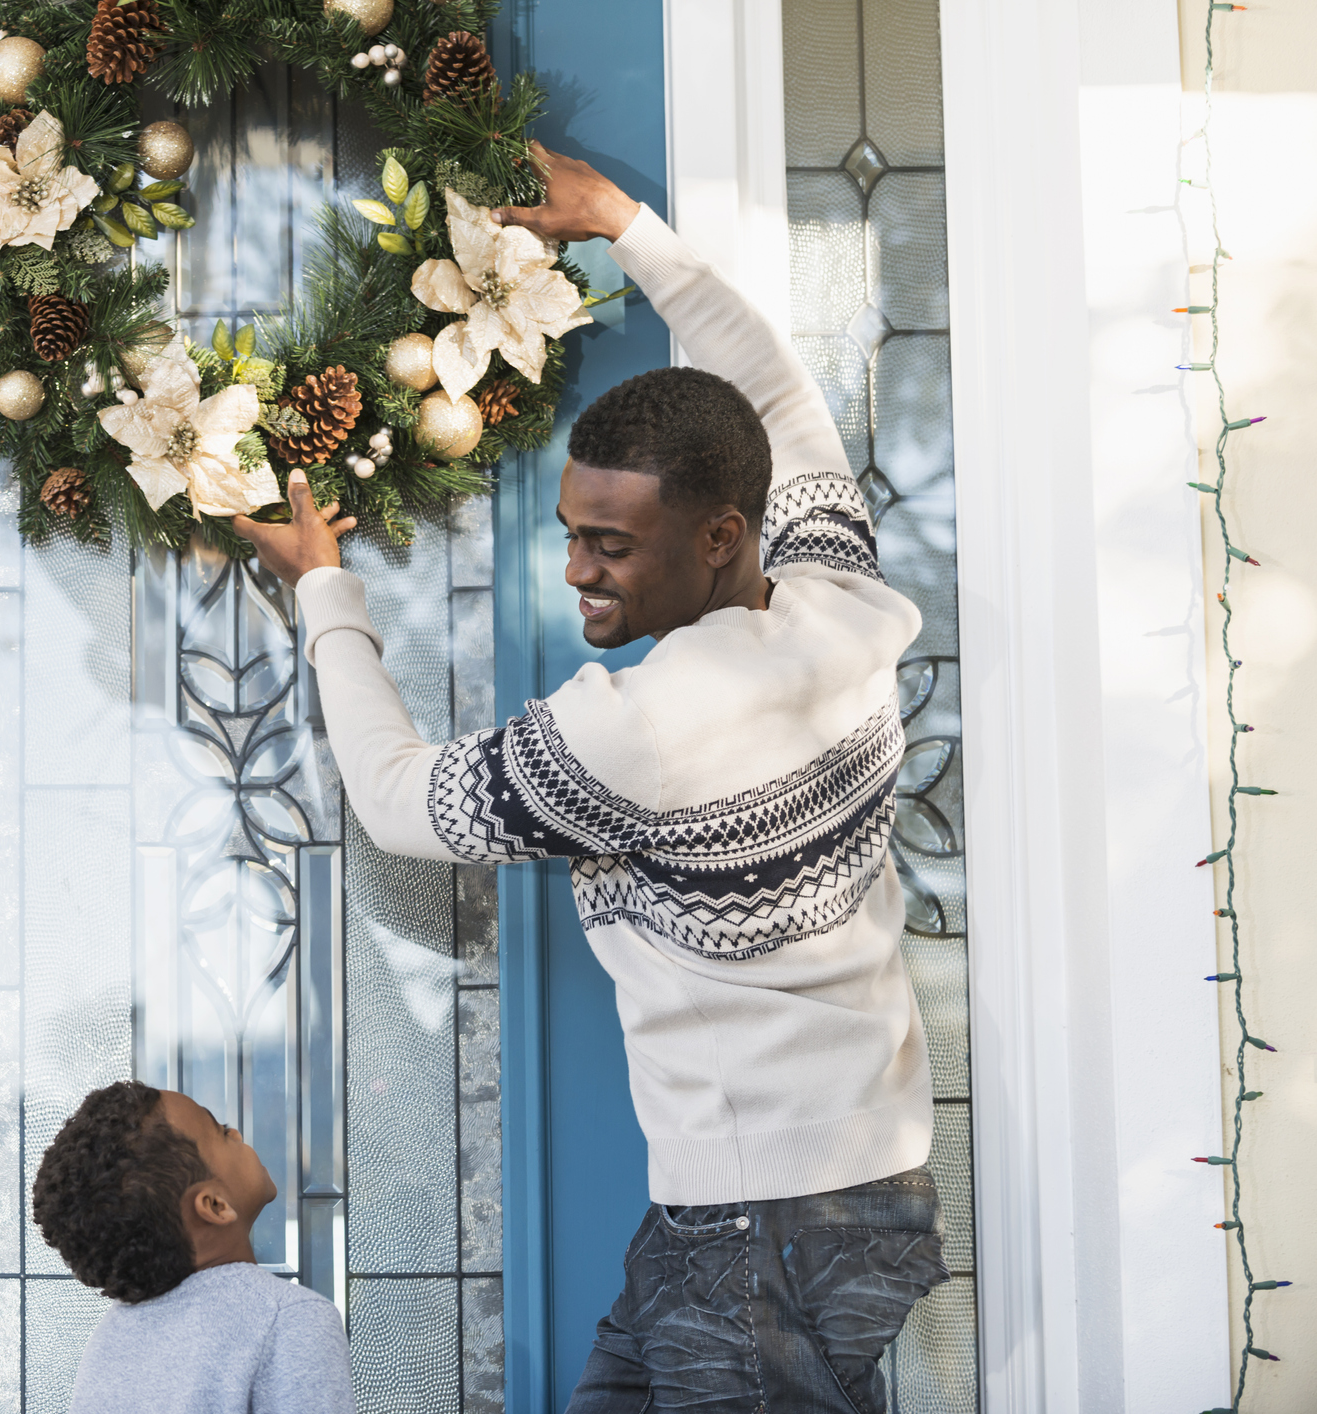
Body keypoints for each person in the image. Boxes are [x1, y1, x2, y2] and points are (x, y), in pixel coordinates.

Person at [232, 143, 949, 1413]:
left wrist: (323, 590)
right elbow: (781, 410)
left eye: (611, 545)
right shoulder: (840, 601)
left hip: (758, 1224)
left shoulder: (645, 727)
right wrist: (625, 226)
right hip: (836, 1195)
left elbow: (399, 802)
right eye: (573, 534)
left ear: (722, 534)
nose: (578, 573)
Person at [33, 1080, 353, 1414]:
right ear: (215, 1206)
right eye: (222, 1131)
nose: (238, 1135)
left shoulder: (107, 1342)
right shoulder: (289, 1320)